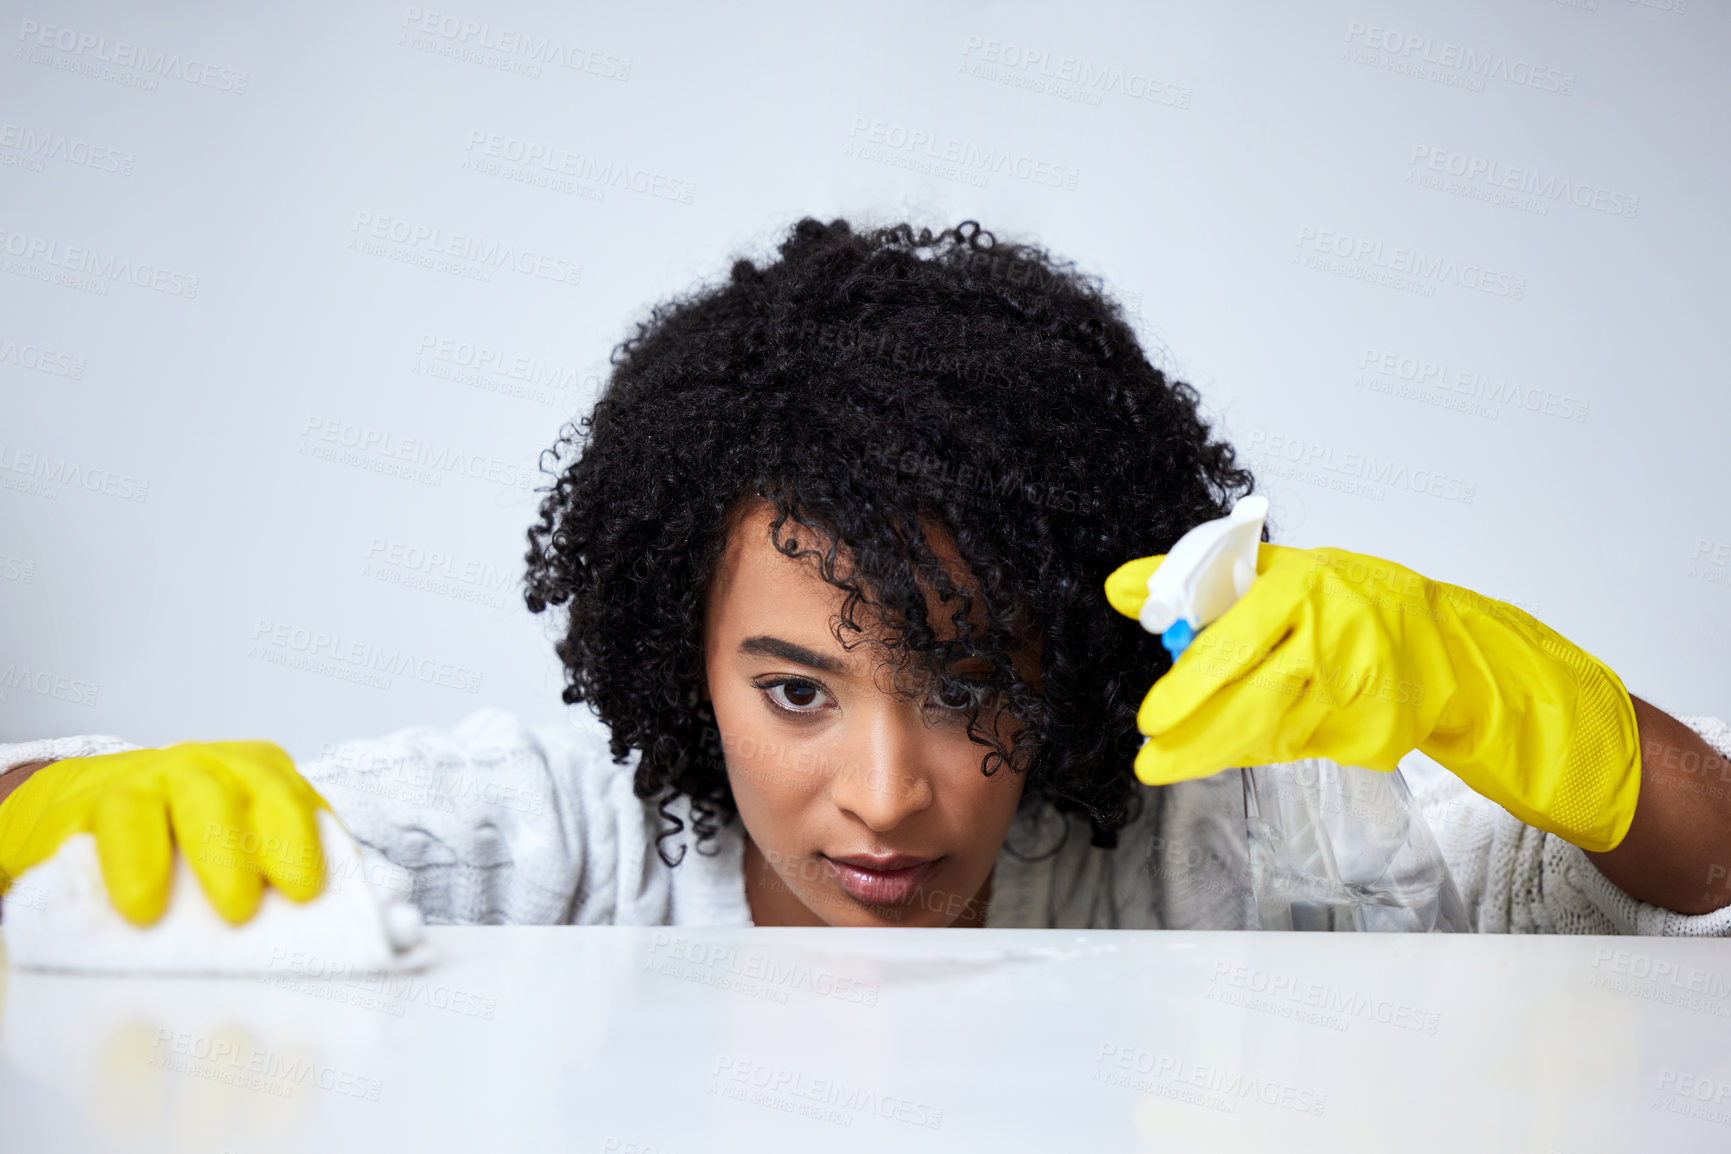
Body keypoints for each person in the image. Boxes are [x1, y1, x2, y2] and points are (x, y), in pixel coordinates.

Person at [3, 218, 1728, 934]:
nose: (889, 796)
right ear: (683, 648)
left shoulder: (1191, 844)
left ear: (1069, 650)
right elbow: (153, 834)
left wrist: (1521, 698)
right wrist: (45, 810)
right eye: (798, 689)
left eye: (974, 683)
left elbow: (1702, 858)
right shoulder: (577, 834)